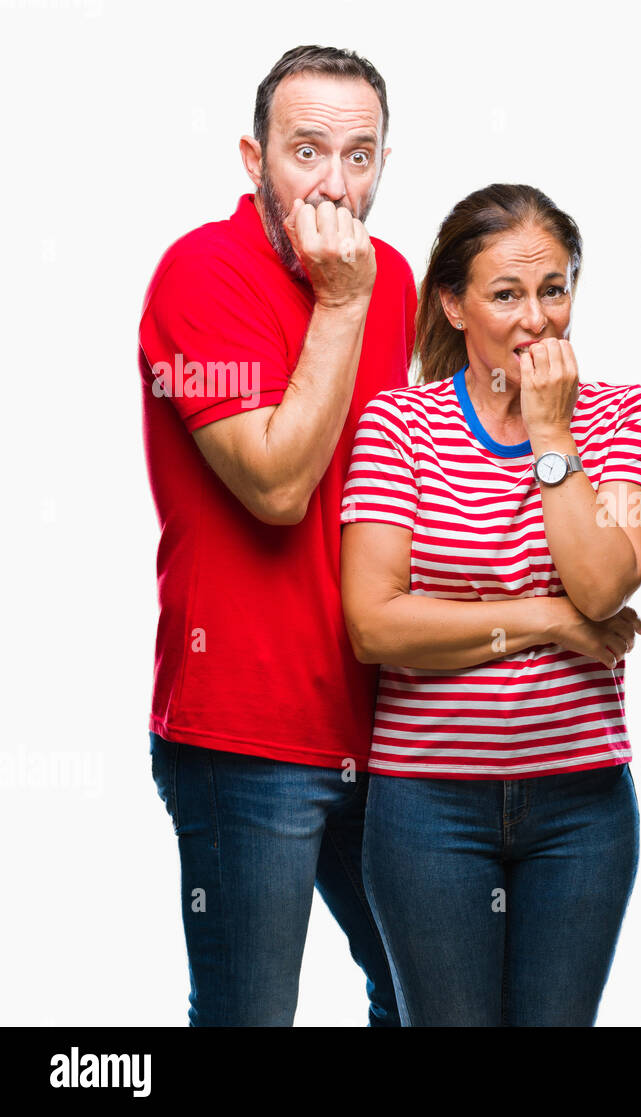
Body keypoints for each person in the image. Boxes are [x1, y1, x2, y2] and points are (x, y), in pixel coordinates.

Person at [339, 183, 641, 1026]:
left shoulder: (626, 415)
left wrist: (554, 435)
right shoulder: (397, 426)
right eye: (507, 294)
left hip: (581, 808)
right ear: (454, 304)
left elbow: (602, 583)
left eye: (553, 289)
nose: (537, 319)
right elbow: (376, 623)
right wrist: (551, 621)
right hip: (427, 807)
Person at [138, 44, 417, 1026]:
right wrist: (342, 304)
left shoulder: (395, 278)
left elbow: (391, 490)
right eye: (306, 151)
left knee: (439, 996)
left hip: (380, 729)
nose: (334, 184)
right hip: (241, 734)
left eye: (360, 155)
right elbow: (277, 485)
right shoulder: (196, 276)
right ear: (254, 161)